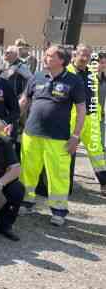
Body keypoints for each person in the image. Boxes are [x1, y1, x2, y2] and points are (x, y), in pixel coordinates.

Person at [19, 46, 86, 227]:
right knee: (28, 170)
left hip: (58, 137)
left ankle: (58, 210)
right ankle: (26, 202)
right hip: (31, 134)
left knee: (58, 174)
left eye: (50, 55)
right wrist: (11, 120)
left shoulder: (74, 81)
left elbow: (81, 110)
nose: (45, 58)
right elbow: (24, 101)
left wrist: (76, 136)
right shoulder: (37, 76)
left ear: (61, 60)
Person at [66, 44, 106, 196]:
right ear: (75, 54)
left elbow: (96, 93)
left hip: (91, 119)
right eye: (82, 54)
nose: (84, 58)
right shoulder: (66, 71)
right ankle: (65, 184)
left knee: (97, 153)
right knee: (68, 151)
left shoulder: (91, 73)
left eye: (88, 56)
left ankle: (104, 183)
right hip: (71, 119)